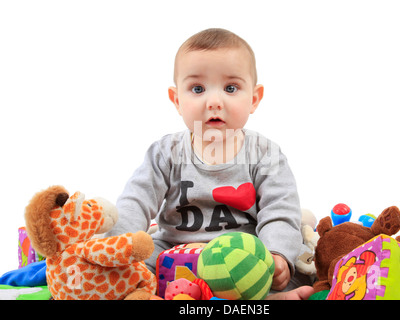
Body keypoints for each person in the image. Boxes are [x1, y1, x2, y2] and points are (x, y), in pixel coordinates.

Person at [107, 28, 314, 300]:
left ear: (253, 99)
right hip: (174, 251)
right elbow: (135, 201)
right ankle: (146, 293)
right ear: (177, 100)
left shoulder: (265, 153)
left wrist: (276, 253)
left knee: (284, 265)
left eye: (230, 88)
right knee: (132, 268)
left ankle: (272, 296)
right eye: (197, 89)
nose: (214, 101)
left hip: (242, 256)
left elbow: (280, 208)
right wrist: (114, 248)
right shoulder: (165, 153)